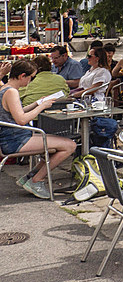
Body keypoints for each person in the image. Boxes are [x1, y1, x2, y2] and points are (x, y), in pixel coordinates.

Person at [1, 60, 77, 199]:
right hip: (16, 140)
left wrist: (37, 103)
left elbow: (17, 112)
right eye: (31, 78)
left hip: (14, 137)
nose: (31, 81)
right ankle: (36, 180)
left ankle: (30, 177)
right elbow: (22, 120)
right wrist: (41, 107)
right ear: (22, 76)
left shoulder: (5, 88)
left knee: (56, 146)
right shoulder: (12, 92)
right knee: (69, 145)